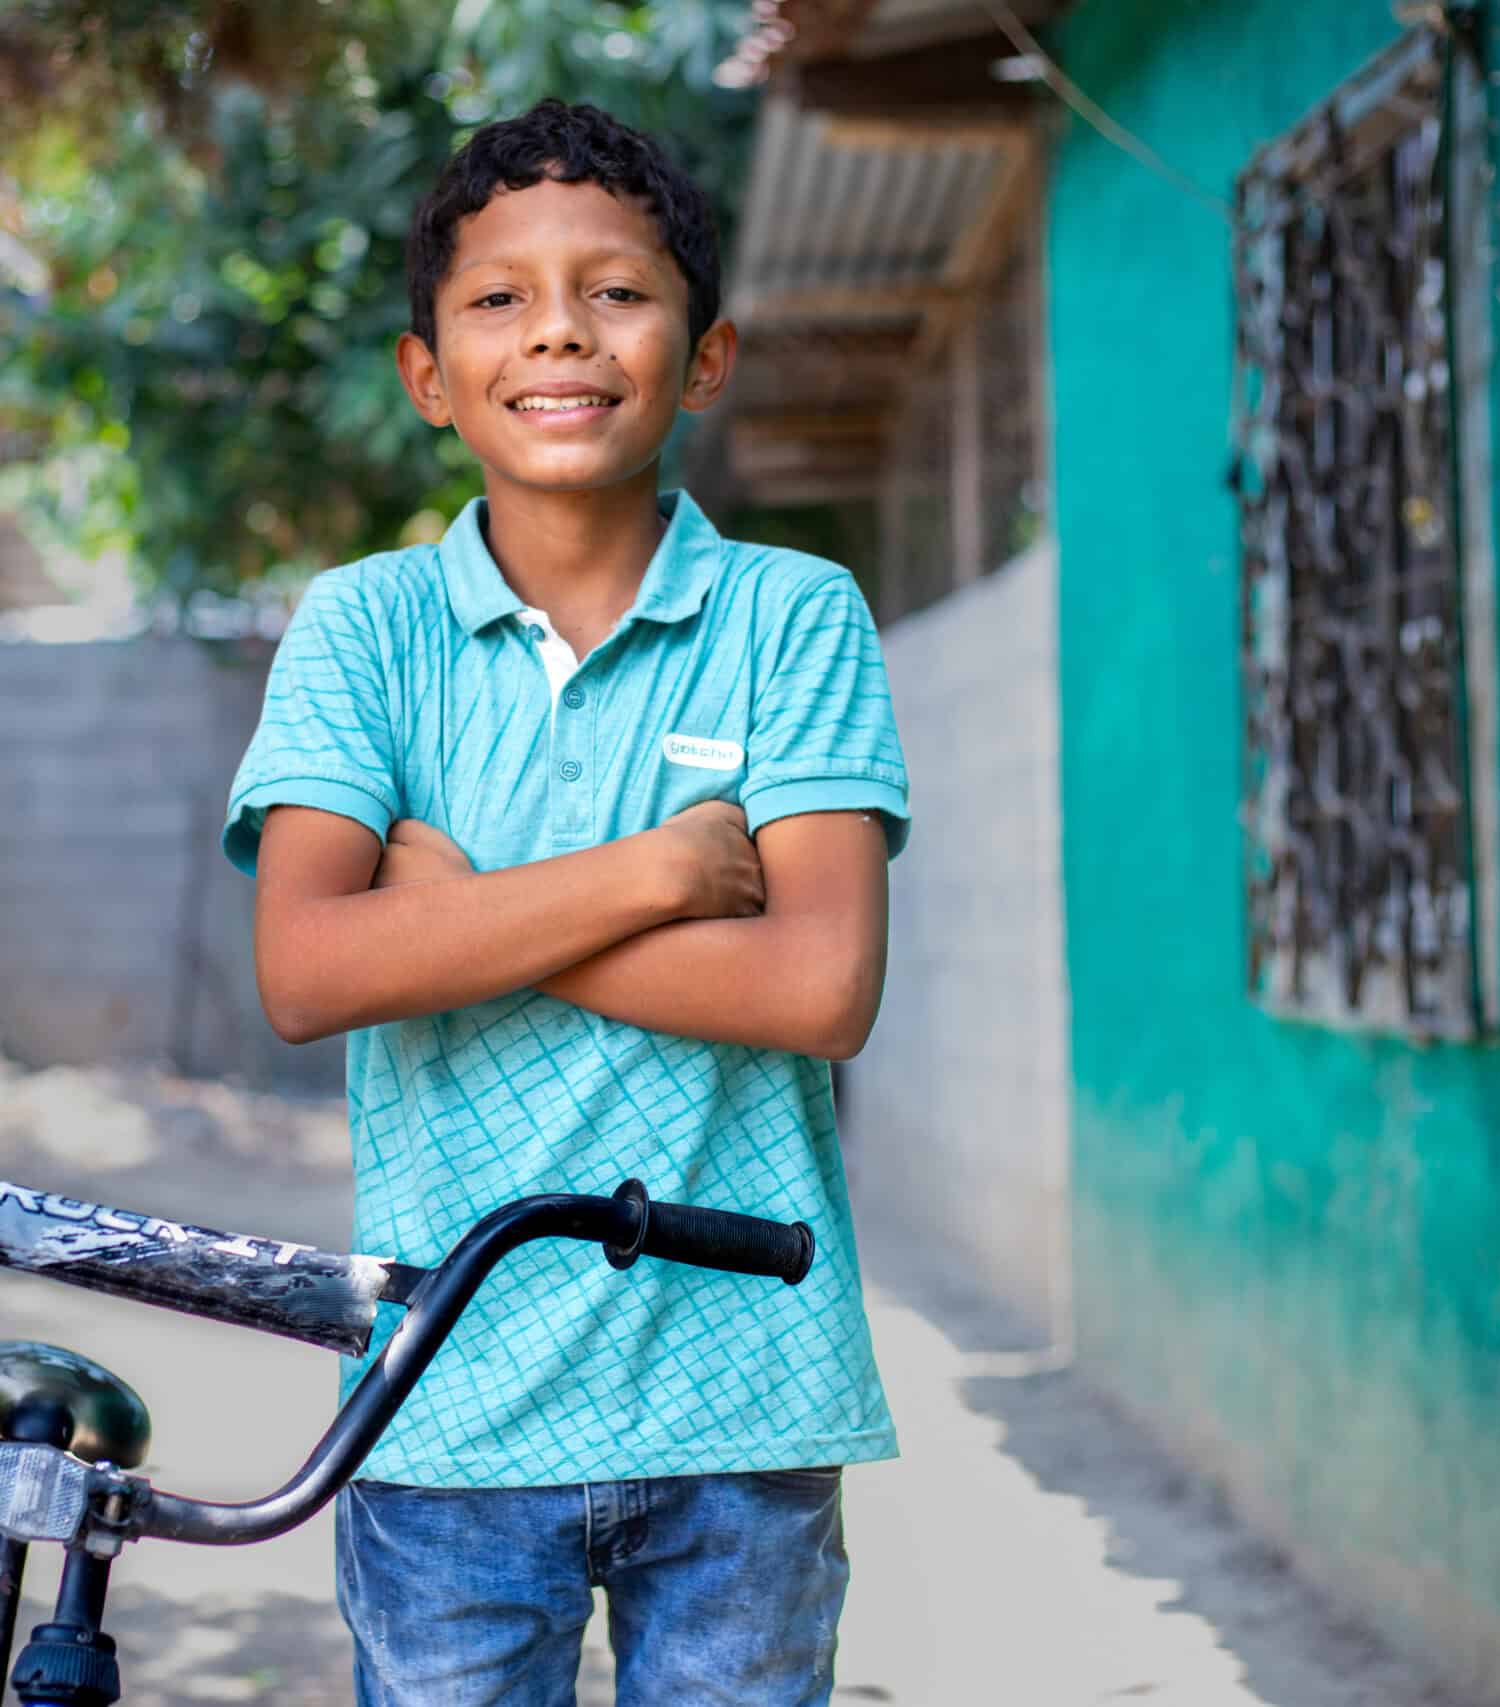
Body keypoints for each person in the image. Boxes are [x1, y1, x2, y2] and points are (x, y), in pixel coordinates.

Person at [220, 98, 908, 1706]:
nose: (560, 335)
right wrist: (657, 877)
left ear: (706, 352)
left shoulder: (792, 617)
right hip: (440, 1402)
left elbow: (819, 989)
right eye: (499, 299)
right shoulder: (364, 629)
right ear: (429, 377)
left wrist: (460, 922)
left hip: (748, 1401)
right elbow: (312, 969)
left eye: (616, 290)